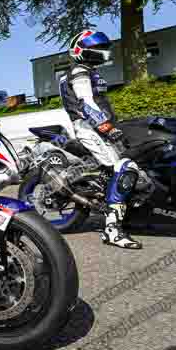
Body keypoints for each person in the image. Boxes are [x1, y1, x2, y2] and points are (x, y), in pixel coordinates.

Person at [58, 29, 142, 249]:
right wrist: (106, 127)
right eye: (99, 49)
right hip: (89, 128)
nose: (104, 52)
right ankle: (112, 231)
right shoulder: (79, 71)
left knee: (125, 166)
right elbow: (86, 103)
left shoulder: (88, 71)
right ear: (83, 51)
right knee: (125, 169)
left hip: (97, 127)